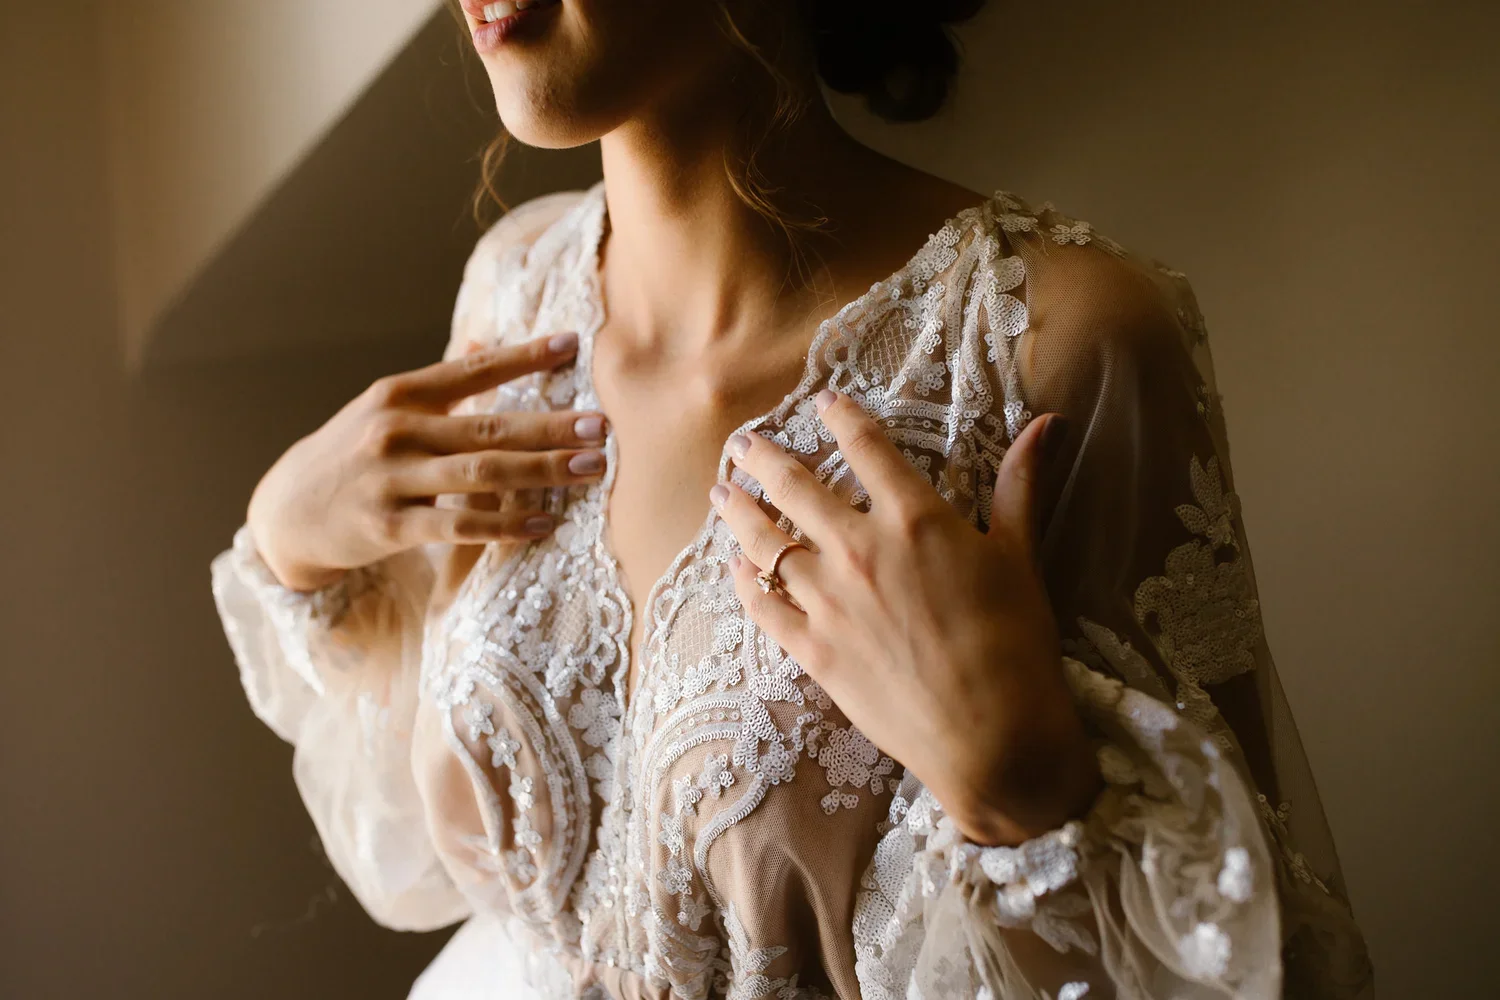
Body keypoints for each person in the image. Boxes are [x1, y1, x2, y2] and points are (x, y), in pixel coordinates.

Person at [211, 1, 1372, 996]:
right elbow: (418, 843)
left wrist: (1024, 789)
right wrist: (291, 538)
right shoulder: (518, 293)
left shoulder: (1049, 350)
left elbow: (1239, 953)